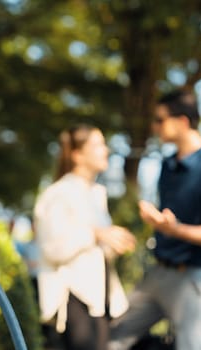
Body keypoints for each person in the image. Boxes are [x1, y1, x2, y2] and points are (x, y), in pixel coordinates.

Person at [109, 89, 201, 350]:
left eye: (160, 119)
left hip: (192, 278)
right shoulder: (168, 166)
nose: (155, 127)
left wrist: (174, 229)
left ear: (183, 121)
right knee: (113, 338)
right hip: (159, 272)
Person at [33, 124, 136, 350]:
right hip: (72, 303)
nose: (106, 150)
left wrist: (113, 242)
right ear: (77, 155)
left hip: (98, 302)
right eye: (98, 145)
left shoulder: (97, 194)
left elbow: (94, 250)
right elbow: (52, 248)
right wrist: (97, 233)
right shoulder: (58, 193)